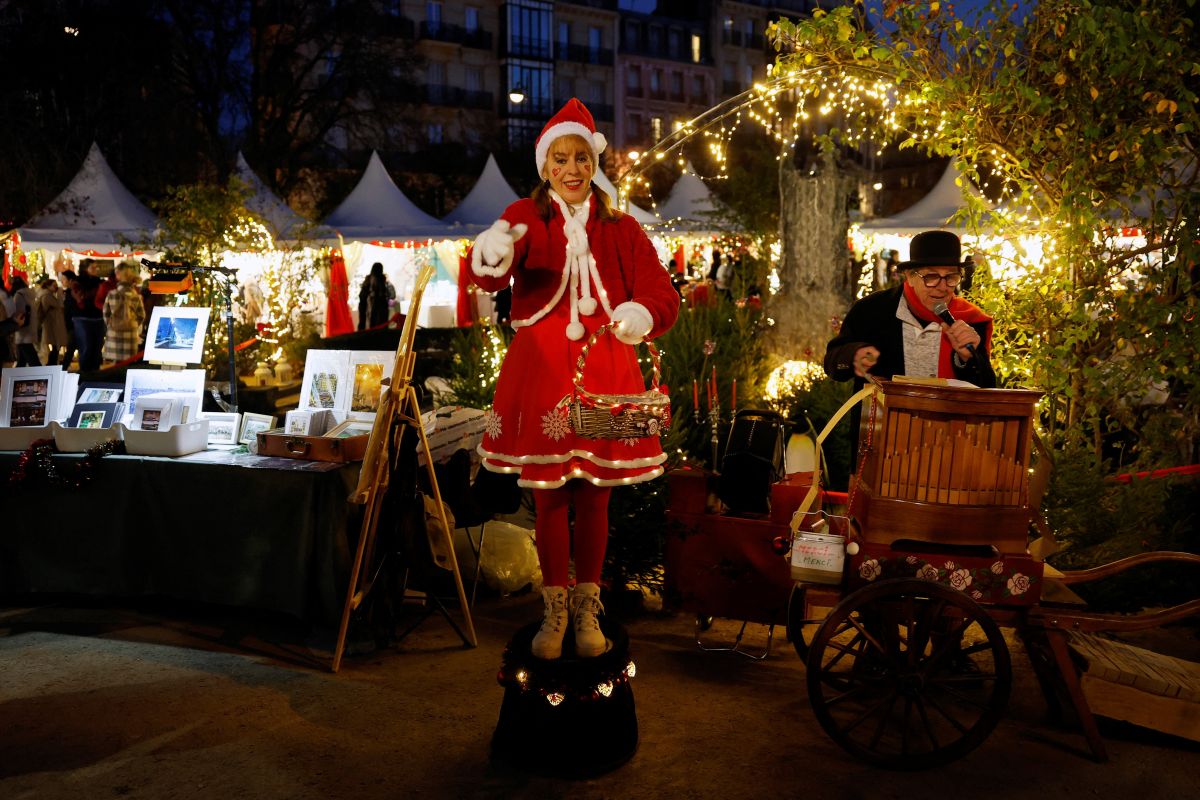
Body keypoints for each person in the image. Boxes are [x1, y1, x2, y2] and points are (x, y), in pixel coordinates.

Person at [468, 98, 679, 660]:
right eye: (559, 158)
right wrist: (490, 251)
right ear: (545, 166)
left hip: (607, 364)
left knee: (595, 497)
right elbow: (500, 258)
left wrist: (642, 314)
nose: (571, 169)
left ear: (595, 163)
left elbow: (660, 290)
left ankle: (588, 605)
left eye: (581, 158)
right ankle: (553, 608)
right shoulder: (527, 214)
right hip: (540, 371)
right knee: (549, 496)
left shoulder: (623, 227)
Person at [824, 230, 995, 469]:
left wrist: (966, 359)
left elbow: (987, 390)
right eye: (931, 277)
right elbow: (833, 363)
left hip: (949, 450)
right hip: (881, 447)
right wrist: (854, 355)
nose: (943, 287)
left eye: (951, 277)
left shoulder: (971, 321)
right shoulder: (870, 311)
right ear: (909, 276)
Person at [102, 262, 146, 364]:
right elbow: (142, 315)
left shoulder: (112, 294)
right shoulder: (136, 296)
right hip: (130, 334)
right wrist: (133, 324)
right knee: (129, 364)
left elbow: (105, 313)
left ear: (118, 276)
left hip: (114, 333)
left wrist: (111, 324)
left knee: (116, 365)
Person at [35, 277, 68, 366]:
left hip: (53, 323)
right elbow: (56, 306)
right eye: (54, 285)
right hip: (52, 324)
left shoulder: (47, 295)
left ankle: (51, 363)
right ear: (48, 286)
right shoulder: (46, 296)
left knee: (56, 345)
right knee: (55, 345)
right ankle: (51, 363)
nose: (56, 287)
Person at [10, 275, 41, 367]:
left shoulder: (19, 295)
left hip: (22, 329)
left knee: (32, 358)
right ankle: (18, 377)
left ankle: (41, 376)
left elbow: (18, 312)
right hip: (30, 326)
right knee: (22, 360)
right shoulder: (30, 294)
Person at [357, 262, 395, 330]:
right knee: (380, 325)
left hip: (368, 306)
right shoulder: (383, 280)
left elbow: (362, 295)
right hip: (379, 306)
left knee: (369, 324)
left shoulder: (368, 279)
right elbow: (390, 295)